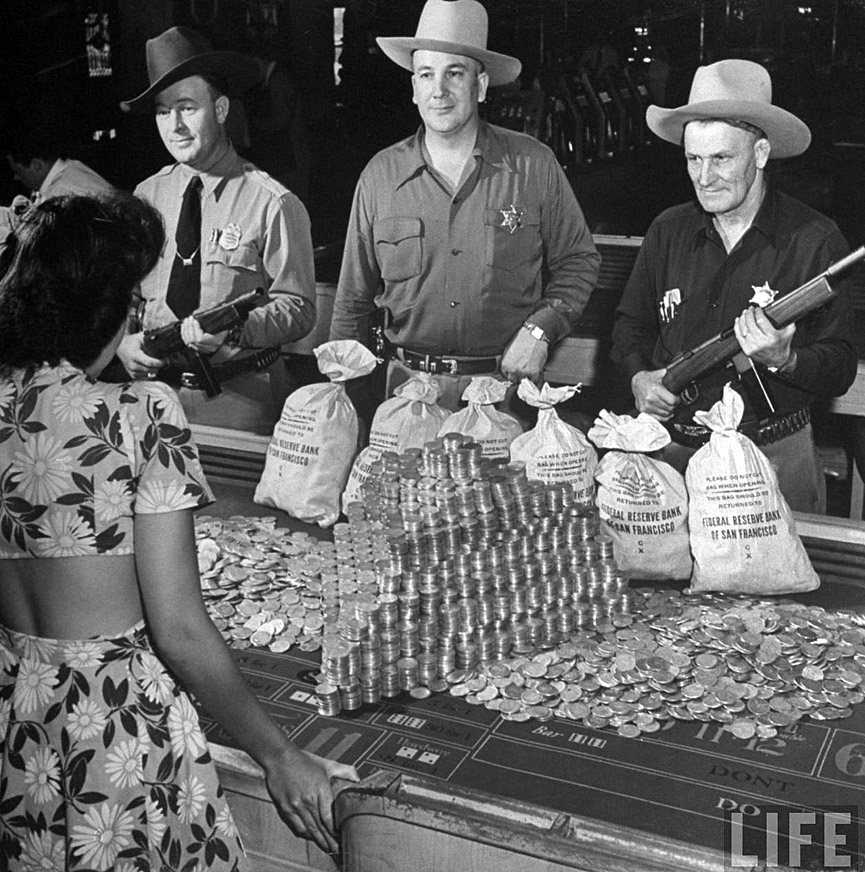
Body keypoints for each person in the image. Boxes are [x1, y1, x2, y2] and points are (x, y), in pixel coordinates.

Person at [0, 193, 357, 870]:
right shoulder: (140, 412)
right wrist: (280, 756)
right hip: (116, 740)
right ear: (110, 305)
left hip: (20, 729)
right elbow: (180, 630)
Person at [329, 0, 600, 418]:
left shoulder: (533, 164)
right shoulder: (379, 176)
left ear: (482, 84)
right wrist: (341, 401)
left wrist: (540, 330)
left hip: (507, 397)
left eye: (455, 73)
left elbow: (579, 261)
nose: (439, 90)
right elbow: (352, 300)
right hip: (405, 397)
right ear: (414, 87)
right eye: (426, 74)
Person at [611, 59, 858, 513]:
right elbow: (630, 325)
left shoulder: (814, 239)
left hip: (775, 459)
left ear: (761, 154)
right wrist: (639, 376)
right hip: (676, 457)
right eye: (693, 159)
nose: (704, 179)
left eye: (722, 158)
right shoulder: (668, 230)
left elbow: (840, 366)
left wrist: (786, 359)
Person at [117, 26, 316, 435]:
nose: (175, 125)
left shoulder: (272, 202)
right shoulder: (146, 196)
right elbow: (123, 291)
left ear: (221, 109)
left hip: (242, 399)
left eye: (188, 107)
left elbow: (298, 309)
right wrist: (121, 341)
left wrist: (237, 329)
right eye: (162, 111)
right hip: (154, 399)